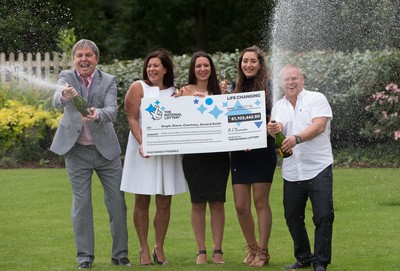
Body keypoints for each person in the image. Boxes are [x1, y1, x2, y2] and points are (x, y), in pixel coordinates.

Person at [50, 39, 130, 269]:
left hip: (107, 153)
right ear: (74, 59)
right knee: (82, 205)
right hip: (76, 152)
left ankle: (120, 255)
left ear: (96, 58)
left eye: (88, 55)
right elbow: (57, 101)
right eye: (79, 56)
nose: (84, 59)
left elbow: (112, 111)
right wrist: (65, 95)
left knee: (117, 203)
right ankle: (84, 257)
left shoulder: (108, 80)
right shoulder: (66, 77)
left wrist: (97, 114)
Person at [120, 49, 187, 266]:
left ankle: (159, 247)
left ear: (166, 68)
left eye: (156, 65)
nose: (152, 69)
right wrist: (143, 143)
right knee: (142, 199)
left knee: (165, 199)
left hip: (167, 153)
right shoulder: (138, 87)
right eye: (149, 66)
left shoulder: (176, 92)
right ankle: (143, 249)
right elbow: (131, 118)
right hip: (142, 151)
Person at [267, 64, 334, 271]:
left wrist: (296, 138)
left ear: (302, 80)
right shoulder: (278, 106)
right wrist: (273, 129)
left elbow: (319, 126)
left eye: (294, 78)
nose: (290, 82)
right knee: (292, 216)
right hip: (292, 171)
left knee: (323, 215)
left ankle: (321, 261)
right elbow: (277, 133)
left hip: (318, 167)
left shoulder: (316, 98)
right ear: (281, 83)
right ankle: (304, 257)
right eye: (286, 79)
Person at [177, 52, 230, 264]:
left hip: (218, 154)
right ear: (193, 69)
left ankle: (218, 250)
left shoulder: (221, 90)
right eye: (198, 65)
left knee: (218, 201)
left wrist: (223, 96)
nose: (202, 69)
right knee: (198, 202)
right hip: (193, 155)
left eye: (206, 65)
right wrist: (188, 101)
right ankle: (201, 250)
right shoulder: (183, 92)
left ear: (211, 68)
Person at [229, 46, 277, 267]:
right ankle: (252, 247)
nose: (248, 65)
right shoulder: (234, 87)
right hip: (240, 152)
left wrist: (258, 132)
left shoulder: (270, 87)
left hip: (261, 150)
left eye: (253, 61)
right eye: (245, 61)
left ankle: (264, 252)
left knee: (260, 201)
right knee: (240, 205)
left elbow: (274, 118)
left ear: (260, 64)